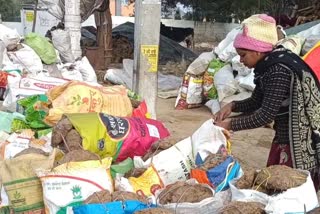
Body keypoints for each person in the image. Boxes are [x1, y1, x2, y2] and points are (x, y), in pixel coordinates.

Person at [213, 14, 320, 191]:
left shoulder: (278, 69)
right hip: (285, 130)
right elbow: (257, 100)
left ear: (257, 51)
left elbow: (265, 115)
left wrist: (230, 124)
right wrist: (232, 106)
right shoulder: (268, 65)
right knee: (272, 181)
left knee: (290, 186)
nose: (240, 60)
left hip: (300, 135)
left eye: (243, 55)